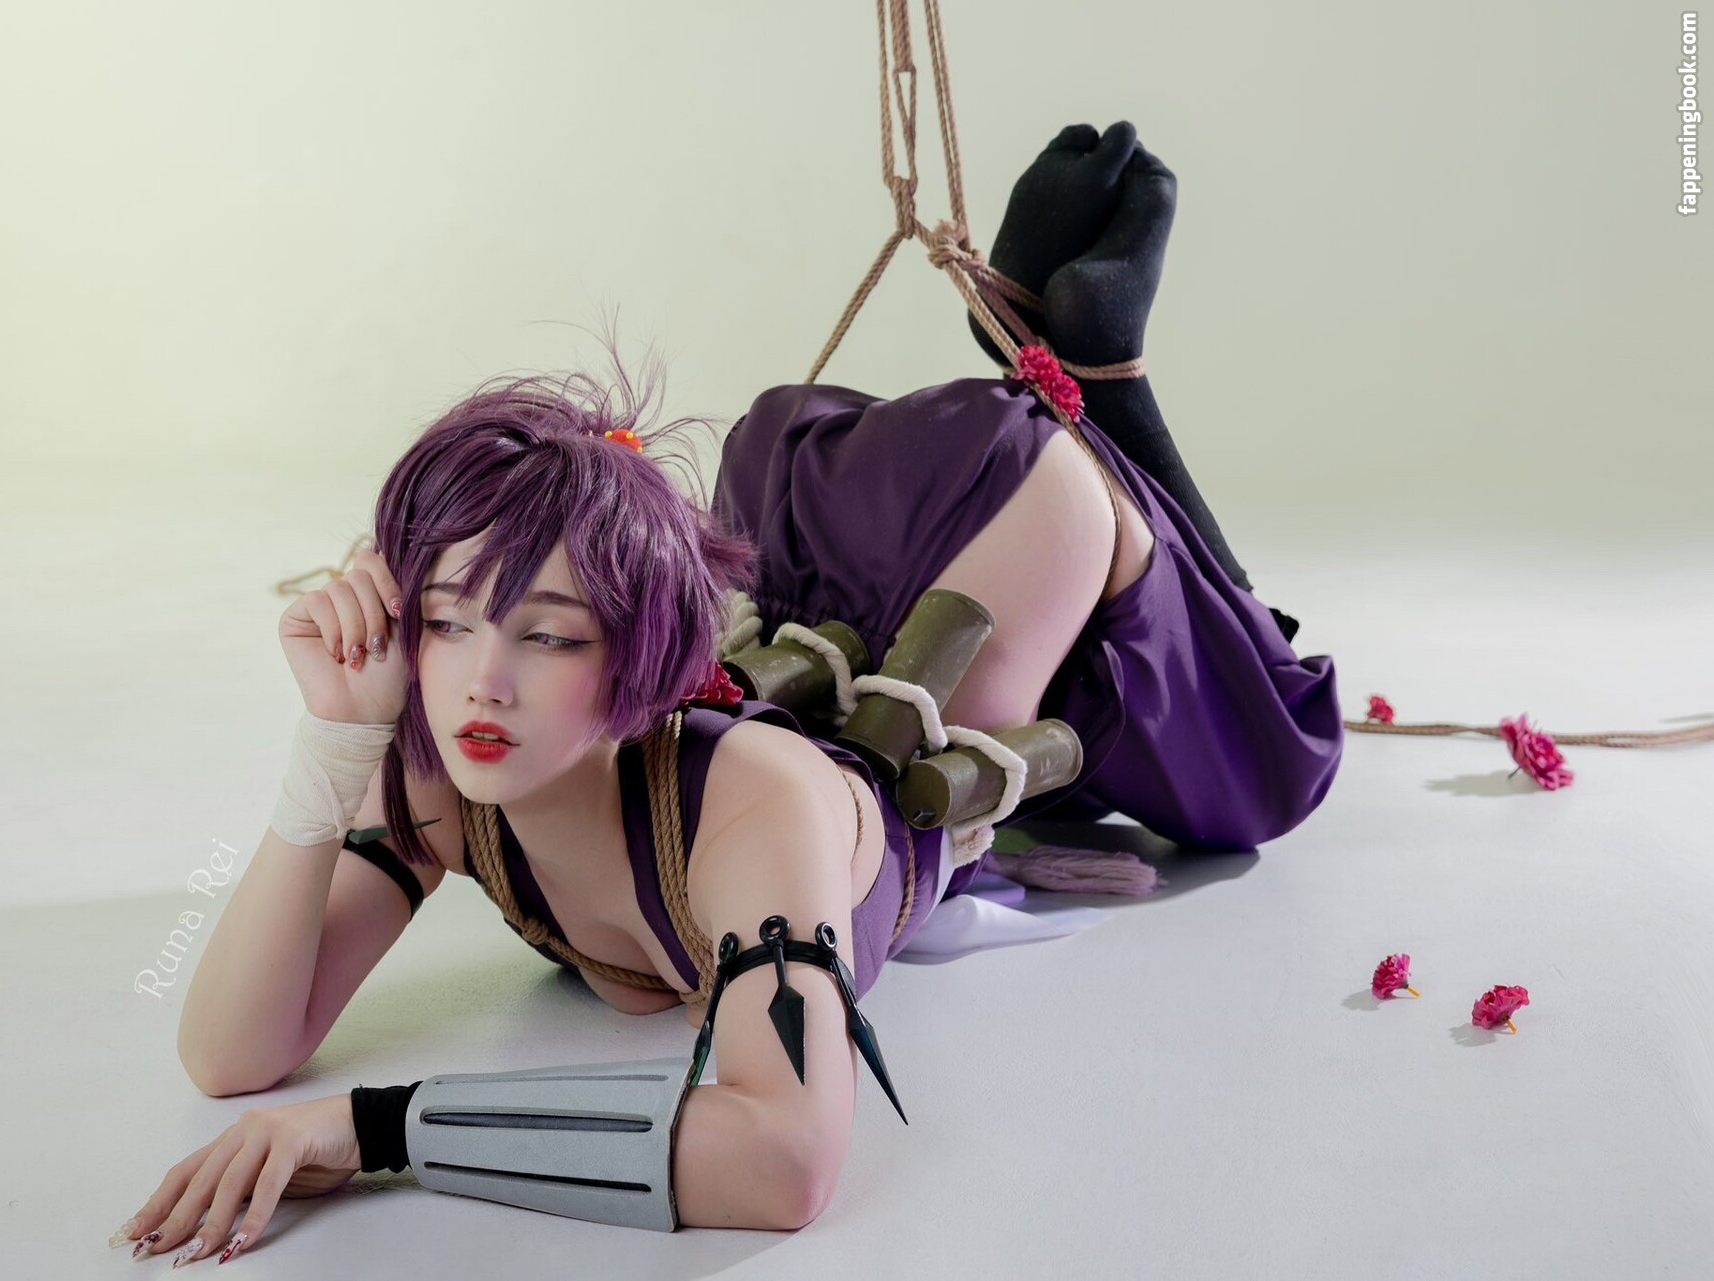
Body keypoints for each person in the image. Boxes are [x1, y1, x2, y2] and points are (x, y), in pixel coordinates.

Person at [111, 123, 1345, 1264]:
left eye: (548, 637)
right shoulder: (438, 776)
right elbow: (228, 1051)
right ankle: (1065, 384)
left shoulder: (751, 811)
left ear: (634, 656)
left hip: (977, 554)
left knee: (1267, 765)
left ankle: (1099, 388)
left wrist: (376, 1129)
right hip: (801, 570)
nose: (483, 681)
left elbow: (785, 1155)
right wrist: (333, 744)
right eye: (443, 620)